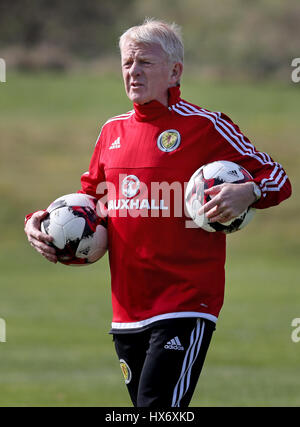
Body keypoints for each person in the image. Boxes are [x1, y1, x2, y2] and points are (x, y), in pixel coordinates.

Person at [24, 19, 292, 407]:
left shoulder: (207, 126)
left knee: (156, 407)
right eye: (127, 63)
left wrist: (248, 191)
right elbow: (89, 205)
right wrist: (41, 222)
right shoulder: (111, 132)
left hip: (186, 302)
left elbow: (278, 178)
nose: (133, 71)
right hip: (127, 309)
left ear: (175, 71)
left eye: (145, 63)